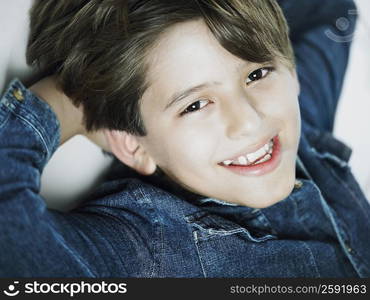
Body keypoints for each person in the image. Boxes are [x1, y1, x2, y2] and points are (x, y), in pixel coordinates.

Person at [0, 0, 369, 277]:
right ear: (132, 144)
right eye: (194, 105)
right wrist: (71, 104)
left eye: (256, 75)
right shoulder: (143, 250)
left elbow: (327, 11)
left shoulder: (295, 140)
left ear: (292, 75)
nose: (249, 121)